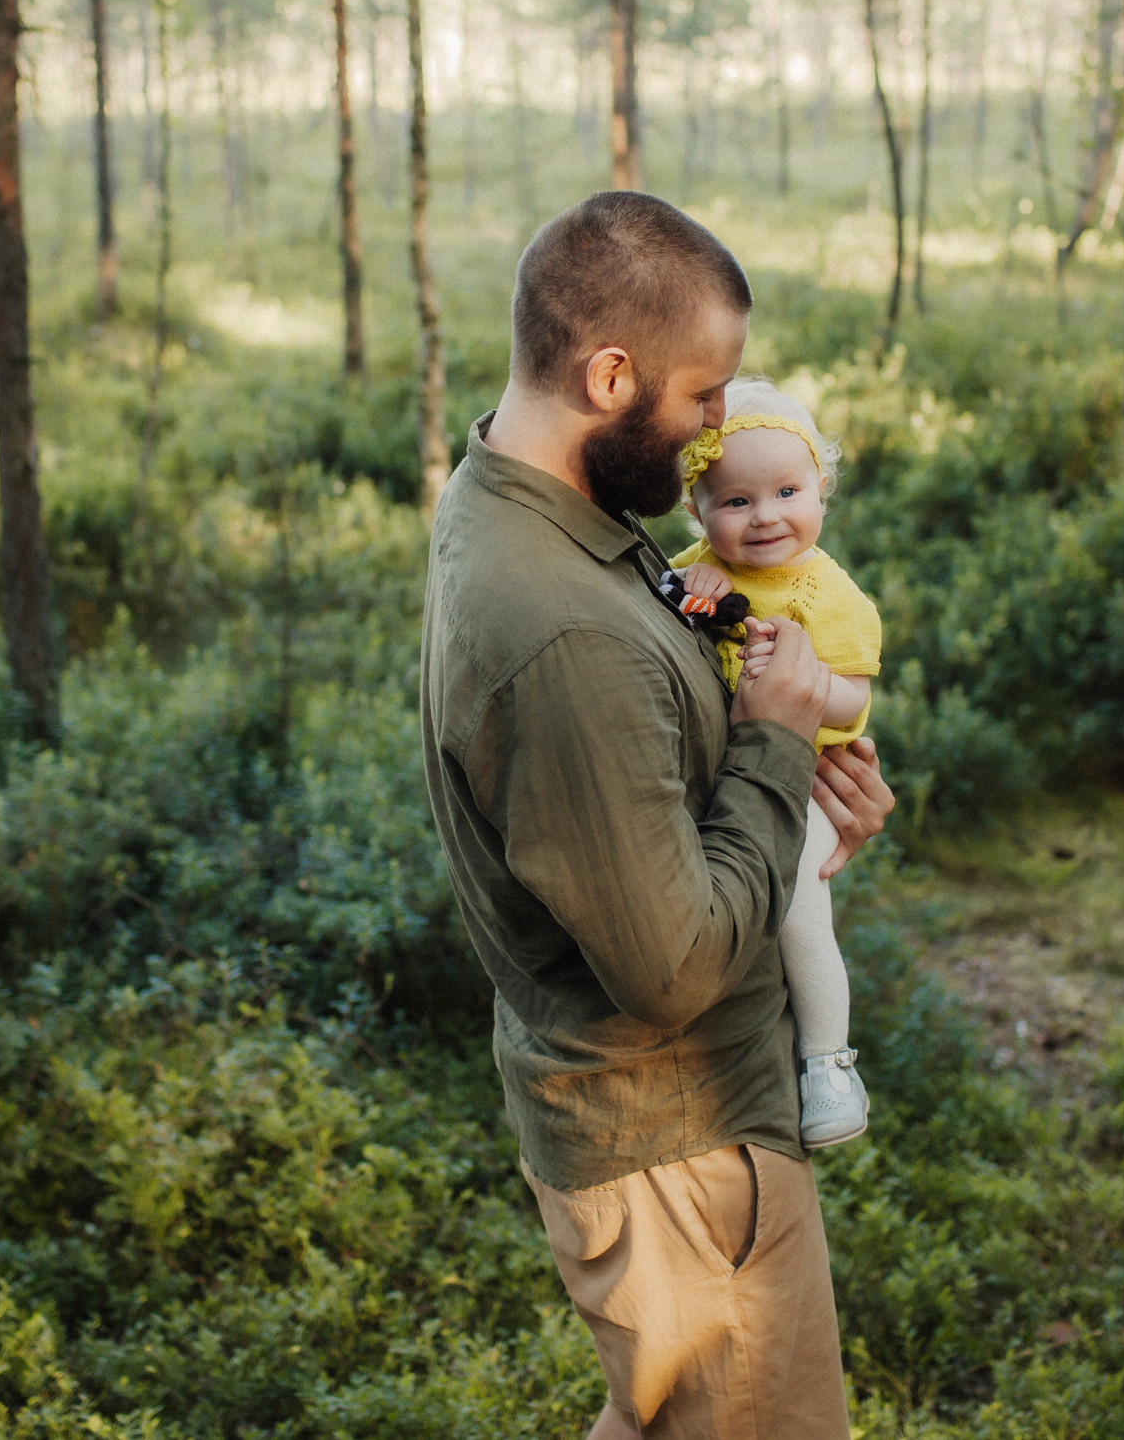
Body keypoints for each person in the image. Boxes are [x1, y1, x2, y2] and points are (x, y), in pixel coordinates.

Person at [420, 191, 896, 1439]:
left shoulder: (539, 513)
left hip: (669, 1138)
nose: (713, 435)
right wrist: (781, 749)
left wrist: (798, 811)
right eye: (699, 400)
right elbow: (675, 963)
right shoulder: (563, 624)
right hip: (682, 1148)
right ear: (611, 374)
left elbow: (650, 820)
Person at [667, 379, 878, 1147]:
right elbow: (668, 604)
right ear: (697, 508)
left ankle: (829, 1064)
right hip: (726, 777)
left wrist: (802, 685)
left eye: (787, 490)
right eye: (735, 500)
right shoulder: (698, 565)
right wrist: (692, 585)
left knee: (795, 906)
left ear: (820, 487)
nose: (765, 516)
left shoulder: (828, 593)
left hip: (809, 782)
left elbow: (852, 702)